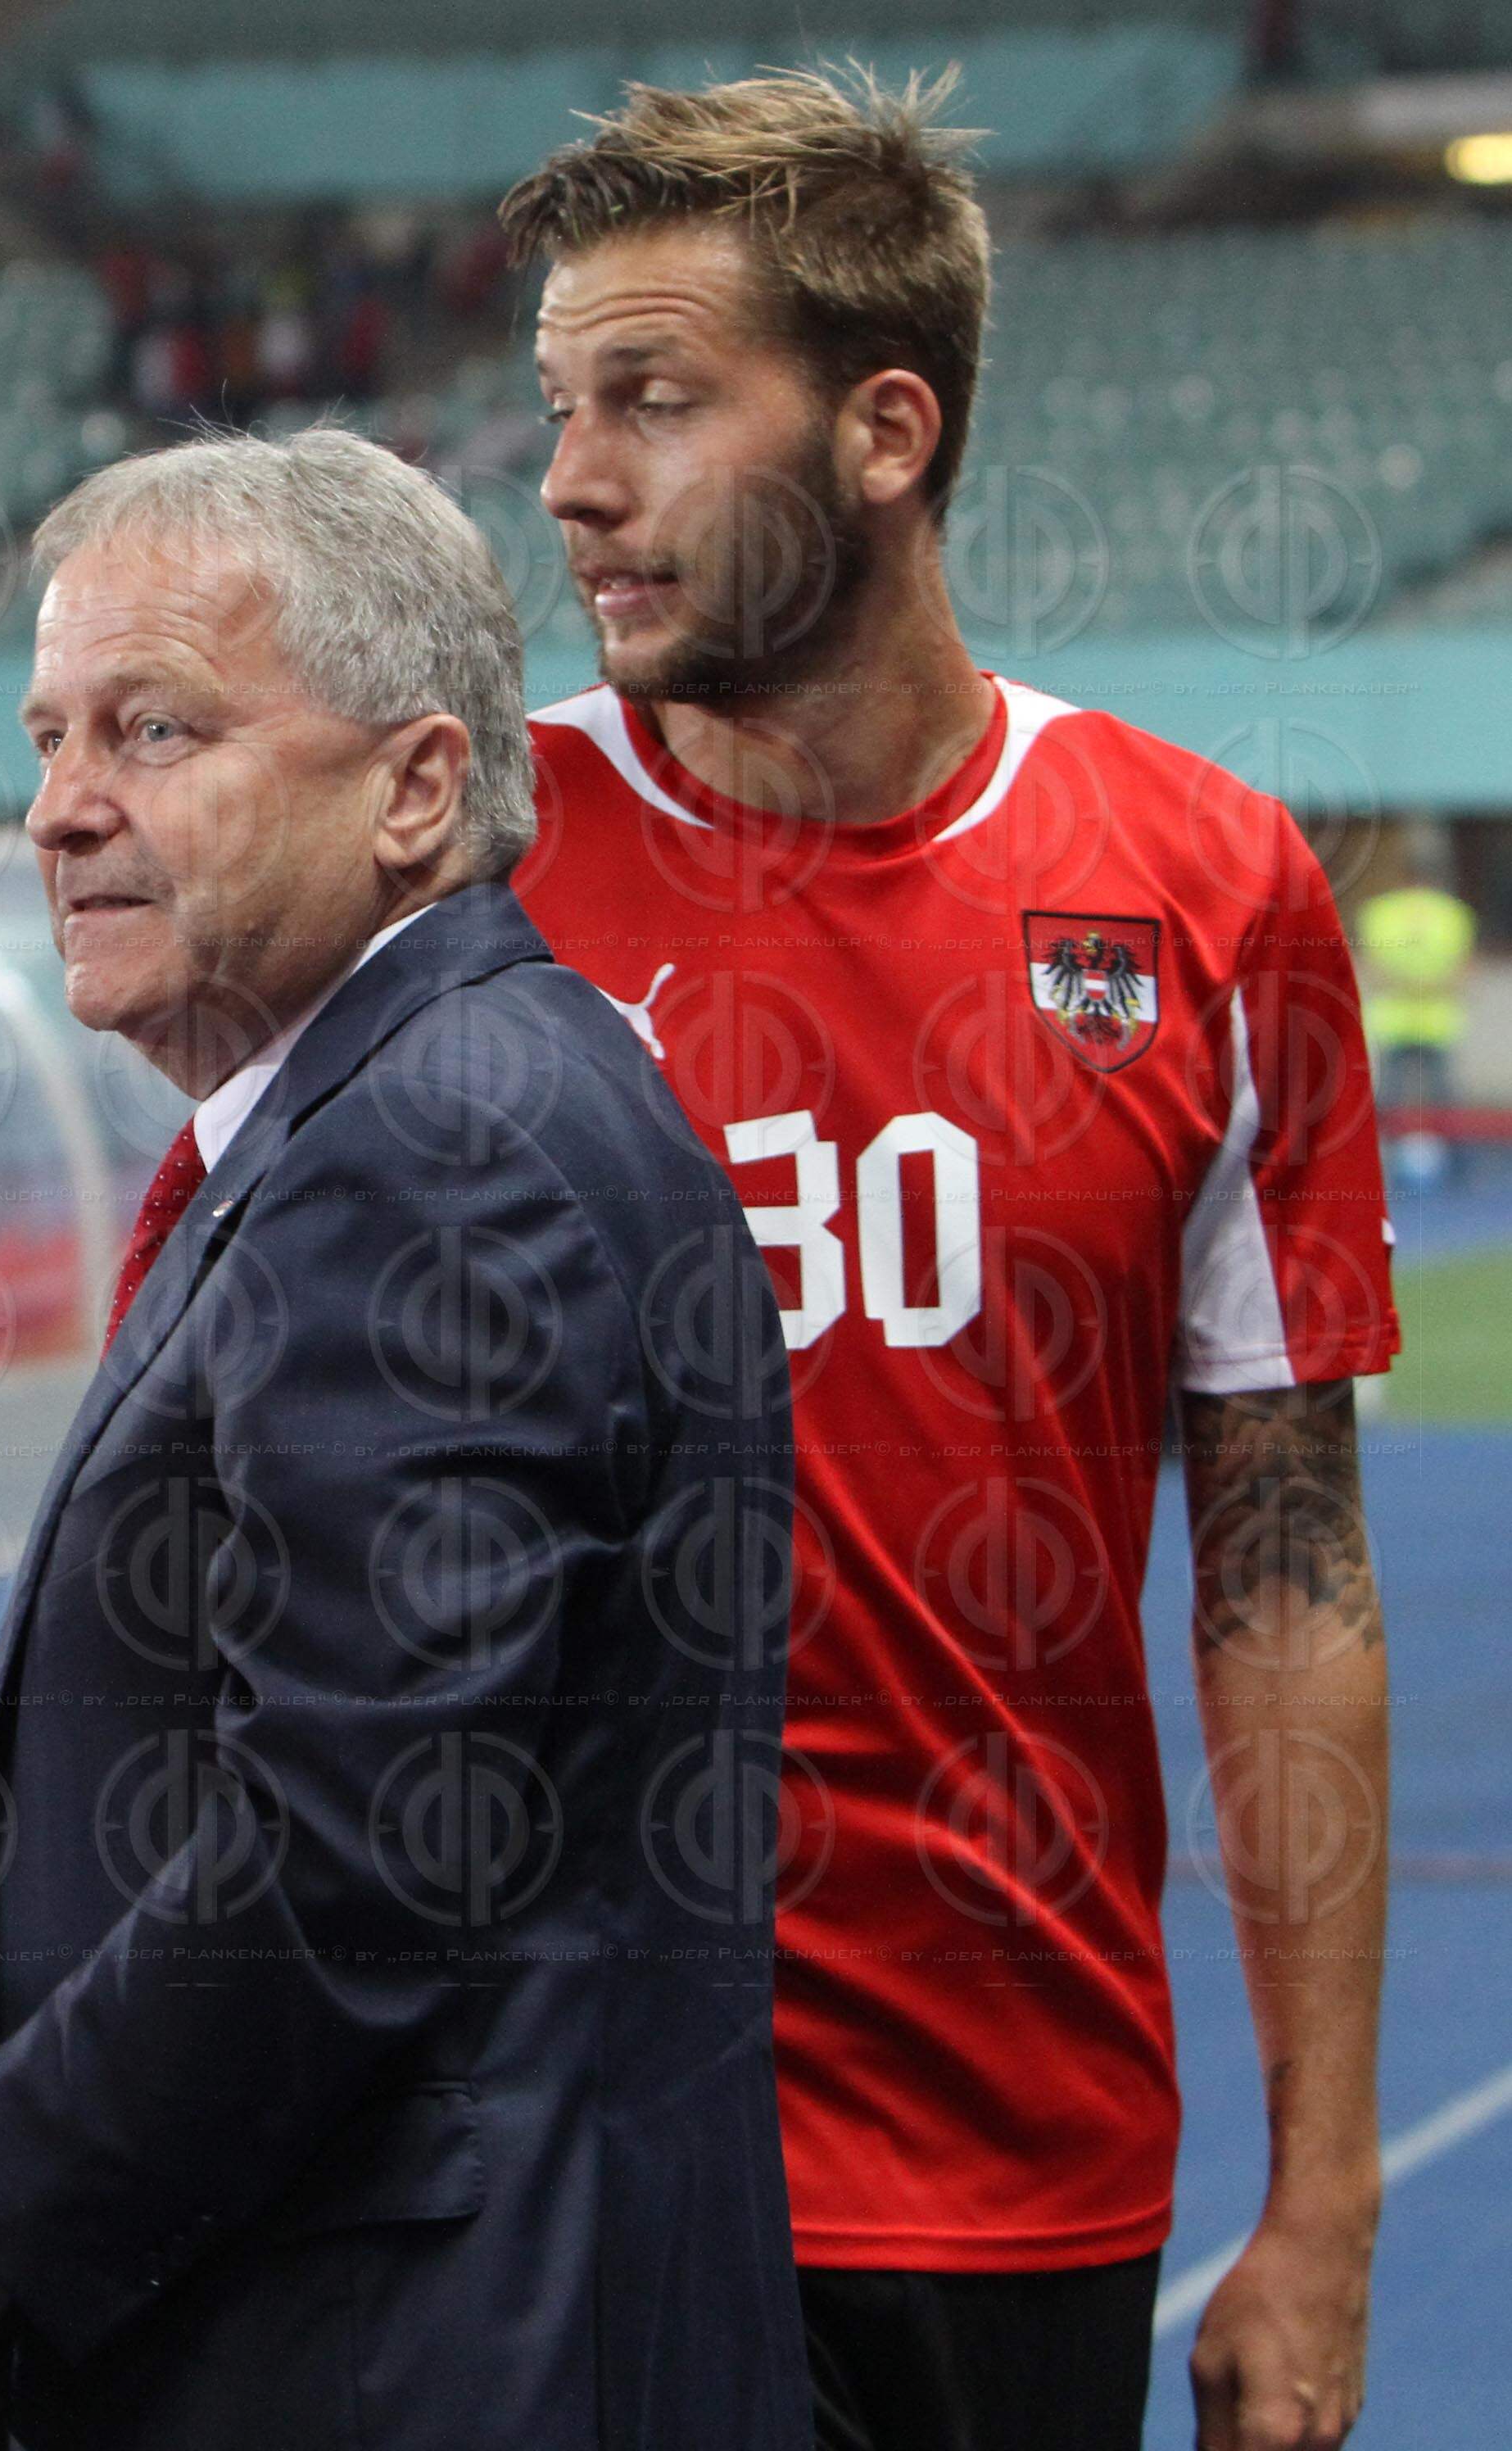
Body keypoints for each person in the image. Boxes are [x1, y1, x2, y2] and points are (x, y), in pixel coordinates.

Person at [501, 67, 1398, 2451]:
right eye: (558, 406)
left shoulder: (1208, 893)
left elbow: (1282, 1572)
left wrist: (1318, 2206)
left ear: (885, 428)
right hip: (537, 2139)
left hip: (1014, 2154)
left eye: (652, 402)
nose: (571, 482)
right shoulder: (468, 871)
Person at [0, 429, 812, 2451]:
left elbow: (356, 1843)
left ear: (419, 789)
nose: (63, 807)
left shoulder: (432, 1152)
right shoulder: (413, 1104)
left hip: (400, 2350)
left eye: (155, 731)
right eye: (51, 734)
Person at [1355, 829, 1476, 1190]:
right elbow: (1465, 971)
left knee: (1390, 1102)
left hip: (1393, 1018)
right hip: (1436, 1019)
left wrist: (1403, 983)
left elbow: (1368, 966)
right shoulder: (1453, 914)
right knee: (1442, 1100)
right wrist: (1429, 985)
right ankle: (1458, 1173)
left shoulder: (1379, 913)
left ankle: (1376, 1169)